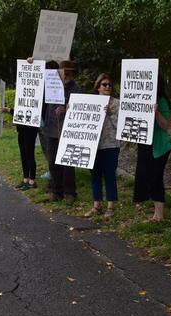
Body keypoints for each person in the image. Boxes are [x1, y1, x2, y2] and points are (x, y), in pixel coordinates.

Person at [0, 60, 60, 191]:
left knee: (29, 152)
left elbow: (37, 108)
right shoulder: (25, 91)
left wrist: (32, 63)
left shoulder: (44, 89)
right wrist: (10, 110)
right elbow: (23, 107)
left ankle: (32, 180)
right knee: (23, 152)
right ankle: (25, 179)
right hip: (22, 125)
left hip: (31, 125)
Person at [133, 75, 171, 222]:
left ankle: (159, 215)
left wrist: (155, 112)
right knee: (148, 177)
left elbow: (165, 125)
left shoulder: (161, 100)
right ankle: (156, 214)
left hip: (159, 146)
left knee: (156, 178)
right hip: (145, 144)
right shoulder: (140, 100)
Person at [42, 60, 82, 202]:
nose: (66, 74)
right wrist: (31, 63)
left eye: (69, 72)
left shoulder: (77, 88)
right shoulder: (52, 85)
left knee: (67, 163)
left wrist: (66, 109)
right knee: (52, 161)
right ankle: (56, 190)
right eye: (64, 71)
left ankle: (69, 192)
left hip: (68, 130)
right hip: (52, 129)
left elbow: (81, 108)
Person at [85, 74, 120, 218]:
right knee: (95, 175)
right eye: (104, 84)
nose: (107, 87)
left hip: (110, 145)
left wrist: (110, 114)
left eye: (110, 85)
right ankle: (96, 205)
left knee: (109, 175)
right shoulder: (90, 102)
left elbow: (120, 127)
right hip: (93, 145)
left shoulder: (117, 103)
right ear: (98, 87)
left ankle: (110, 206)